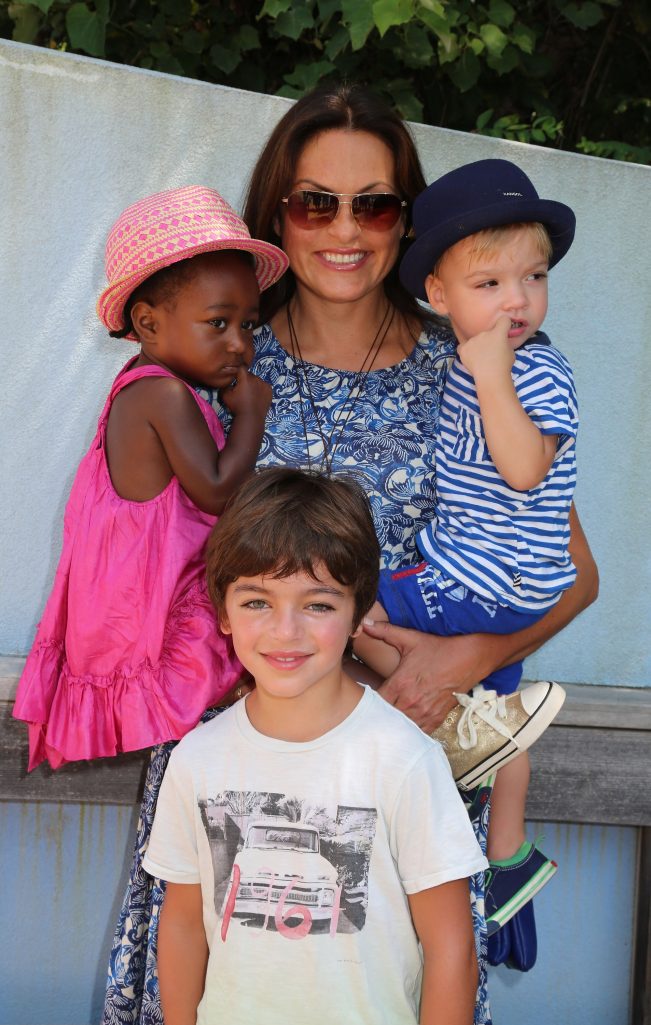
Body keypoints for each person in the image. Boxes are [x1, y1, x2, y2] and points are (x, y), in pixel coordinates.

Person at [103, 83, 598, 1025]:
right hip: (240, 777)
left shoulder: (473, 359)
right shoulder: (218, 367)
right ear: (275, 217)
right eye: (312, 202)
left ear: (408, 223)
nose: (343, 229)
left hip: (401, 770)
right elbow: (150, 566)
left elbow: (570, 566)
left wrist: (465, 661)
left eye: (372, 203)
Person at [144, 467, 488, 1025]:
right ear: (223, 610)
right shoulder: (196, 761)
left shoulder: (403, 759)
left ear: (357, 614)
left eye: (318, 605)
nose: (286, 631)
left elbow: (453, 949)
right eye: (257, 602)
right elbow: (182, 925)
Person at [355, 158, 579, 935]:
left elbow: (522, 470)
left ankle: (434, 705)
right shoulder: (475, 365)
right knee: (499, 712)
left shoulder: (530, 371)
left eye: (533, 277)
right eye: (489, 284)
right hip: (505, 585)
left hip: (479, 581)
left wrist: (491, 377)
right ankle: (509, 854)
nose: (516, 299)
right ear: (438, 296)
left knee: (343, 605)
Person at [13, 185, 288, 770]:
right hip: (156, 617)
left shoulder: (150, 385)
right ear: (147, 322)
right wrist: (252, 415)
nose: (240, 344)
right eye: (218, 323)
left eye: (249, 325)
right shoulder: (161, 395)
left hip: (163, 599)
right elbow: (217, 493)